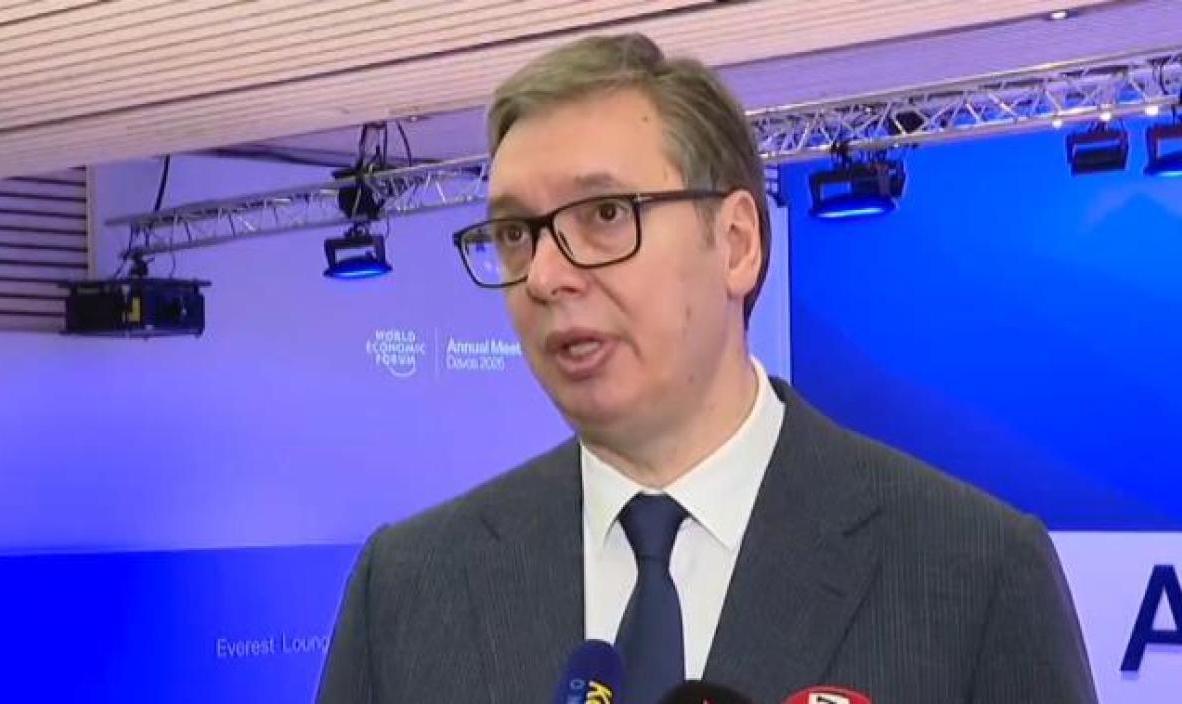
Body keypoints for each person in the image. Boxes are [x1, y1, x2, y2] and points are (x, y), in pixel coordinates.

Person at [318, 33, 1098, 704]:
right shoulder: (408, 586)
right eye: (516, 233)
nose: (547, 276)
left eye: (604, 215)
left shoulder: (972, 571)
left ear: (736, 244)